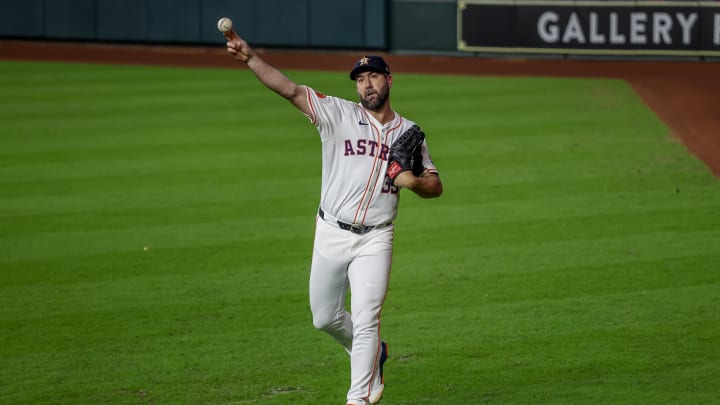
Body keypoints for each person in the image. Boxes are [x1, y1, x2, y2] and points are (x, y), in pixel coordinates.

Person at [225, 34, 443, 405]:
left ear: (389, 80)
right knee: (324, 317)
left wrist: (413, 181)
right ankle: (374, 352)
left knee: (367, 317)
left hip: (376, 238)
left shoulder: (408, 132)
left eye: (373, 76)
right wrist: (250, 59)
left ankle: (358, 397)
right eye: (360, 79)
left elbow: (435, 186)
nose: (367, 84)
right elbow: (290, 90)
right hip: (330, 231)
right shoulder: (337, 113)